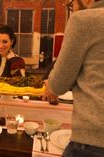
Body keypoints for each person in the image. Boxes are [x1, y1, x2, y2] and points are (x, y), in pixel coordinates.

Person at [43, 0, 104, 156]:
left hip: (93, 139)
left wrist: (51, 85)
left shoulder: (84, 20)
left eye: (72, 4)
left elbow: (58, 85)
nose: (73, 9)